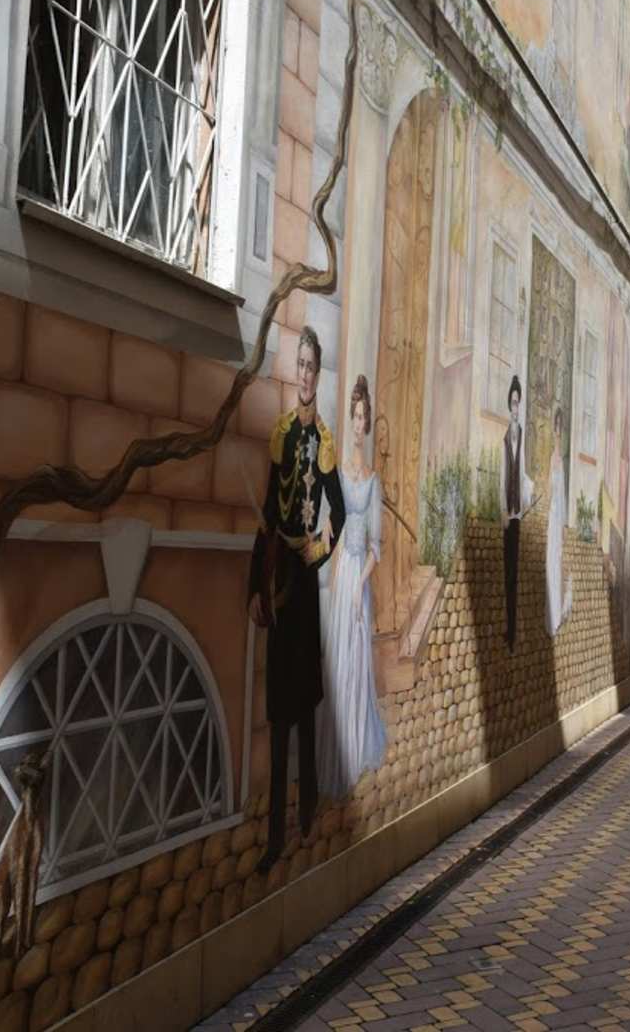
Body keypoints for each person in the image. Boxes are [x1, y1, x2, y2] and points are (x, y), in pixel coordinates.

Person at [249, 325, 344, 874]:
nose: (304, 374)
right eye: (299, 365)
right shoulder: (282, 434)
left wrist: (320, 552)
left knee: (305, 700)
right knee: (279, 708)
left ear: (319, 374)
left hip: (304, 580)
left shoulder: (324, 441)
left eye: (311, 366)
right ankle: (275, 839)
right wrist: (253, 587)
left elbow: (340, 512)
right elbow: (267, 514)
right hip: (279, 574)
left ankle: (307, 810)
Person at [316, 375, 389, 800]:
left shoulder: (372, 480)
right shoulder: (341, 474)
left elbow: (377, 545)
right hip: (343, 571)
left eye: (364, 418)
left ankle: (358, 742)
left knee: (357, 660)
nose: (359, 425)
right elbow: (332, 523)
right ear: (350, 420)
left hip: (359, 575)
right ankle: (337, 747)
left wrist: (362, 584)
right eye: (356, 417)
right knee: (339, 656)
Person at [499, 374, 534, 652]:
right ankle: (508, 629)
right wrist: (502, 509)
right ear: (508, 405)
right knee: (506, 572)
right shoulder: (504, 438)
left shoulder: (521, 436)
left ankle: (512, 634)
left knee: (514, 574)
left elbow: (521, 473)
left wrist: (526, 499)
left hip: (517, 515)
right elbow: (503, 476)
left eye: (518, 403)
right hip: (506, 515)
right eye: (512, 403)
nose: (515, 408)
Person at [545, 407, 574, 637]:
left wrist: (563, 523)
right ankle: (552, 614)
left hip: (558, 516)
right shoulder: (551, 460)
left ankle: (557, 613)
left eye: (560, 429)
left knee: (557, 560)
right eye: (555, 428)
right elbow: (549, 491)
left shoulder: (561, 461)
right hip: (551, 514)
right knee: (550, 561)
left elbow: (562, 494)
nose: (557, 433)